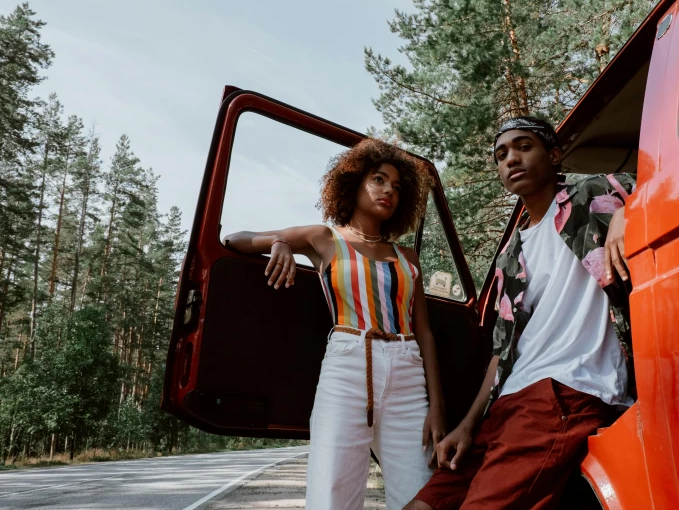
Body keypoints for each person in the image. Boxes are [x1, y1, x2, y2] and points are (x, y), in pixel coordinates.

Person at [405, 116, 636, 510]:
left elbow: (672, 177)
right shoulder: (511, 255)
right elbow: (501, 351)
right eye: (501, 154)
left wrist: (629, 212)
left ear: (554, 154)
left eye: (524, 146)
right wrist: (468, 424)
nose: (511, 158)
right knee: (425, 504)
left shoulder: (597, 192)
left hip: (566, 388)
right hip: (507, 402)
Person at [223, 138, 446, 510]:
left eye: (396, 186)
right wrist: (278, 241)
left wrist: (437, 407)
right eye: (378, 179)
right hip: (348, 366)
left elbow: (424, 332)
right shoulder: (324, 239)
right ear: (354, 182)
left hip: (409, 375)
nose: (388, 190)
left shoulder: (407, 257)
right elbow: (234, 238)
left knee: (422, 494)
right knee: (332, 495)